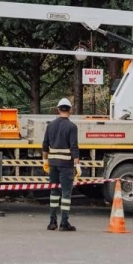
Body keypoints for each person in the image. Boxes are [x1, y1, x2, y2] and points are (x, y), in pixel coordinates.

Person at [42, 97, 81, 231]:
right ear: (70, 110)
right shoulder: (72, 127)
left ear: (58, 110)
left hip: (53, 164)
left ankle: (52, 222)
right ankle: (64, 223)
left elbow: (45, 145)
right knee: (66, 193)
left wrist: (45, 161)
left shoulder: (50, 125)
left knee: (54, 192)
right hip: (66, 165)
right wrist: (77, 165)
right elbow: (74, 146)